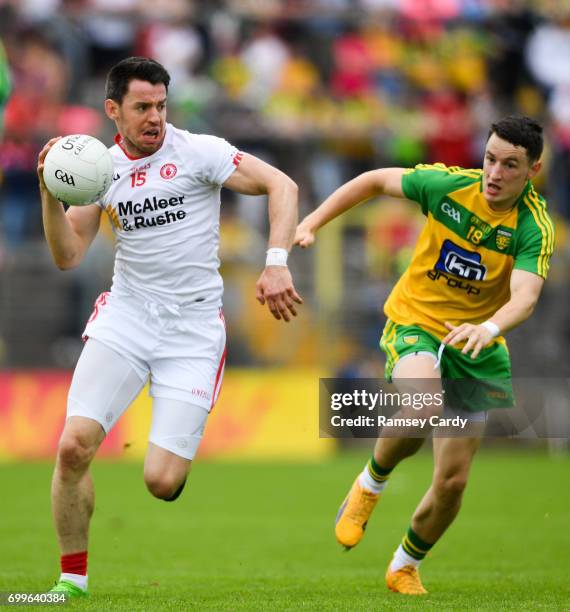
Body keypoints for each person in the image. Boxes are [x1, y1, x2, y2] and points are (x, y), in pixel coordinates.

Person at [39, 56, 303, 598]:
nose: (154, 117)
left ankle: (171, 463)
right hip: (128, 318)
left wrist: (276, 261)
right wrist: (48, 193)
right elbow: (67, 255)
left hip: (193, 330)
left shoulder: (199, 152)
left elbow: (283, 186)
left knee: (161, 482)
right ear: (113, 110)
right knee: (72, 447)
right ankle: (71, 581)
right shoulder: (99, 171)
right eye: (142, 107)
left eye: (161, 105)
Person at [295, 115, 554, 595]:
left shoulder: (534, 225)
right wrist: (312, 221)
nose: (495, 173)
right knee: (422, 404)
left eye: (510, 165)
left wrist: (489, 327)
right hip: (417, 323)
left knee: (453, 483)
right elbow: (374, 180)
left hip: (477, 344)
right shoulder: (449, 186)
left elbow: (526, 296)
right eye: (490, 159)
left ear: (532, 170)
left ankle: (405, 565)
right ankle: (368, 487)